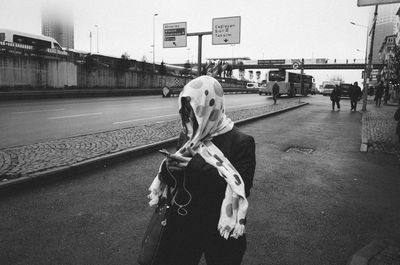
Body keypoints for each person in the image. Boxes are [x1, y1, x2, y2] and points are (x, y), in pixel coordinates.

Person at [147, 76, 256, 265]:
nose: (189, 116)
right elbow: (177, 181)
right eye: (186, 110)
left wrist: (193, 167)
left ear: (210, 107)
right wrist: (168, 168)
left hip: (220, 230)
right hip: (185, 226)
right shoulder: (189, 136)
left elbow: (242, 187)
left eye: (194, 109)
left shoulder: (241, 142)